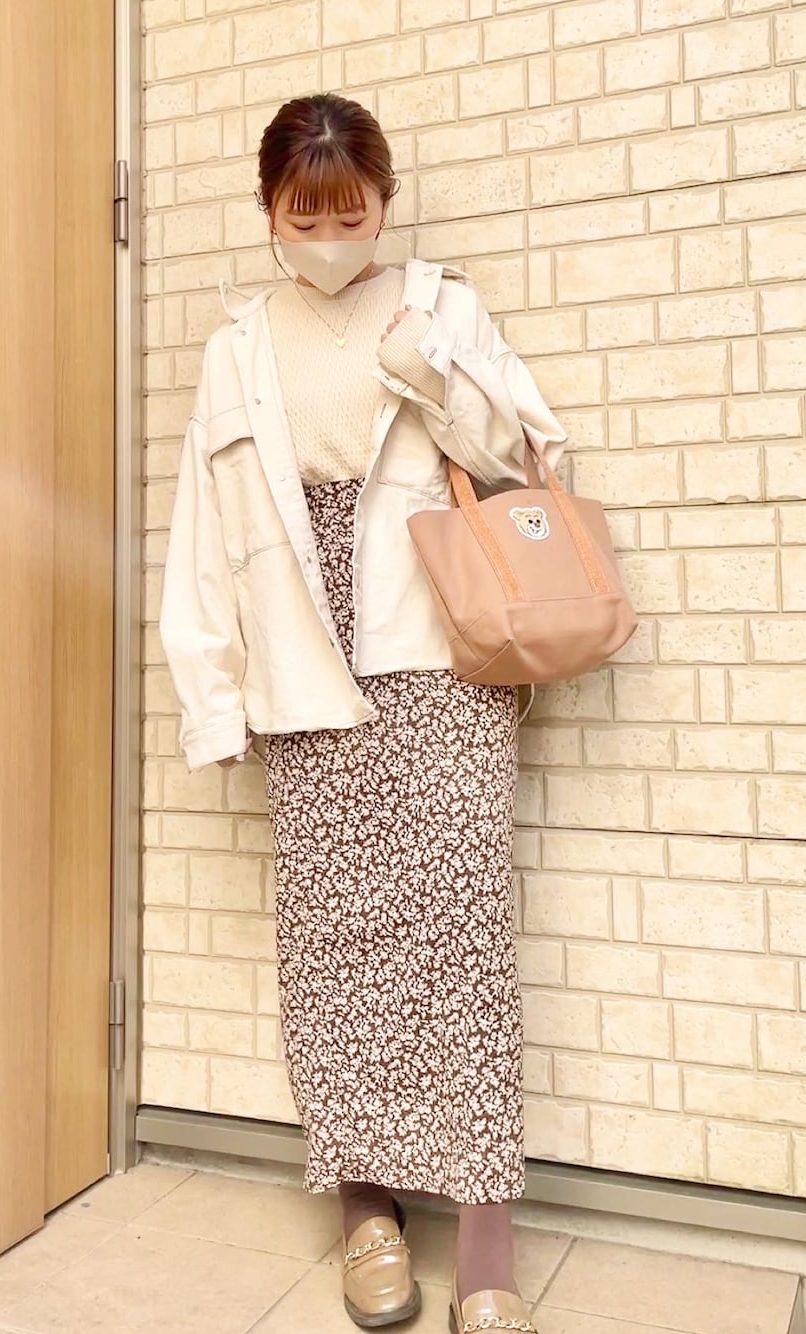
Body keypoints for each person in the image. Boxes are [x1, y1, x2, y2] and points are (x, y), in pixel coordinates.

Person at [160, 92, 566, 1333]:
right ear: (270, 212)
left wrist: (430, 374)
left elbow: (525, 461)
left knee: (461, 930)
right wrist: (212, 697)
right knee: (336, 942)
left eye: (351, 213)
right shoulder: (237, 345)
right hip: (302, 663)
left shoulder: (441, 307)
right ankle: (366, 1209)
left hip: (437, 649)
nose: (331, 235)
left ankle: (486, 1238)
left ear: (384, 202)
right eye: (306, 216)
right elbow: (202, 535)